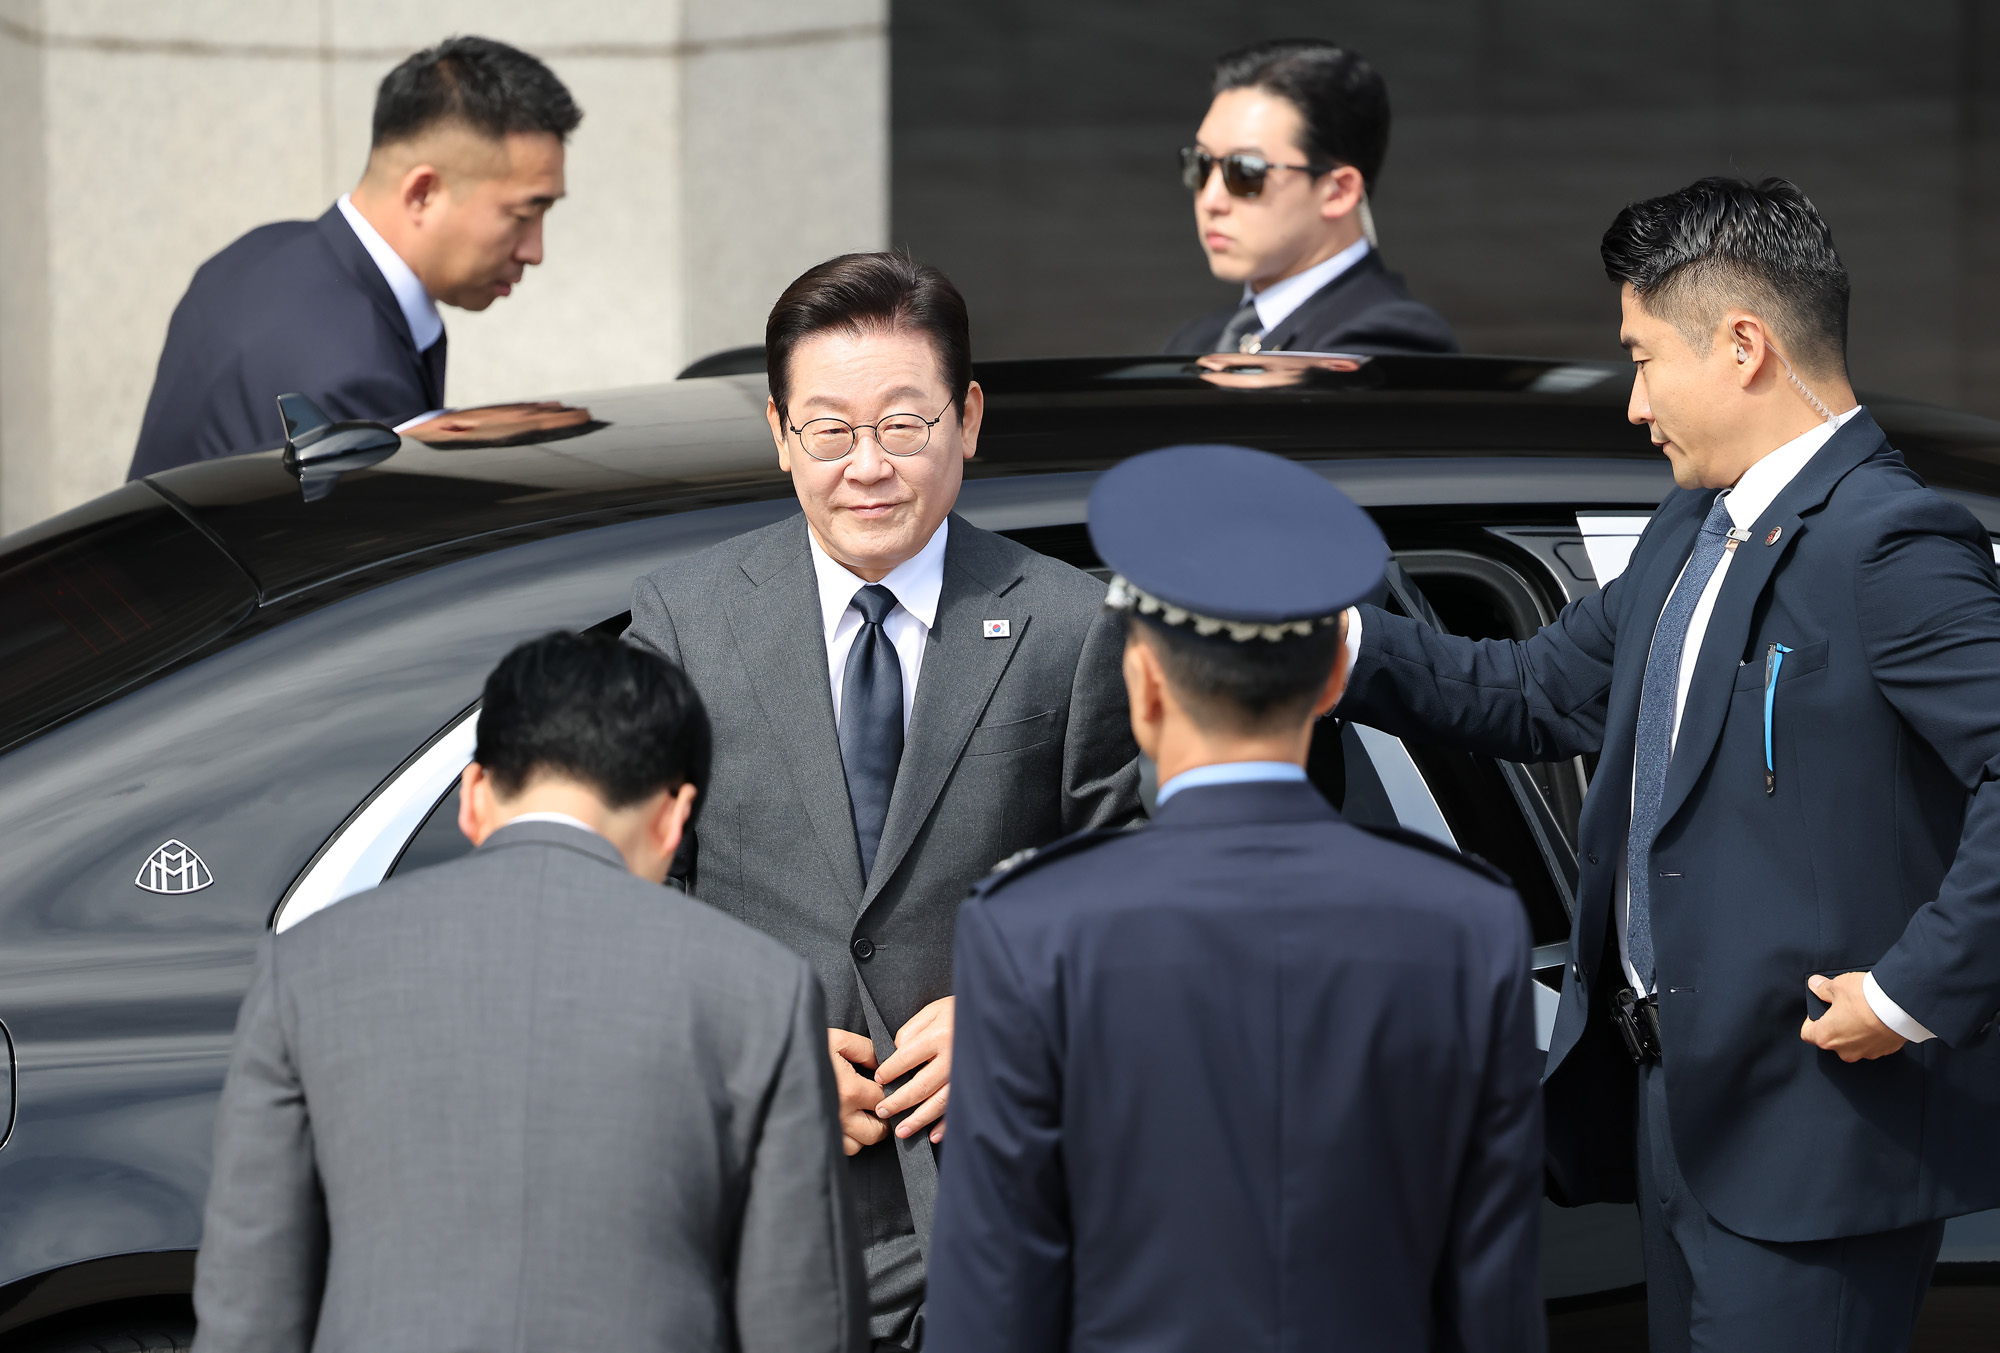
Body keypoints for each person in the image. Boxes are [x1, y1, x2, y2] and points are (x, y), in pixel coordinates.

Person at [1336, 177, 2000, 1352]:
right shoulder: (1692, 524)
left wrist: (1907, 995)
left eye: (1643, 360)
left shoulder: (1888, 543)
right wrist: (1321, 643)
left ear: (1741, 346)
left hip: (1819, 1134)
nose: (1635, 404)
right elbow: (1535, 691)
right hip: (1673, 1116)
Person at [623, 251, 1142, 1350]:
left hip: (999, 1207)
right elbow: (626, 896)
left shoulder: (1071, 624)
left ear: (966, 419)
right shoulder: (685, 619)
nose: (867, 468)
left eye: (902, 428)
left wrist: (1019, 1013)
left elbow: (1133, 884)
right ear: (778, 433)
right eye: (829, 432)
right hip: (760, 1204)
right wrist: (750, 1045)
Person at [924, 444, 1545, 1352]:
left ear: (1142, 685)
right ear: (1335, 678)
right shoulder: (1470, 922)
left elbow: (996, 1293)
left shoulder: (1030, 928)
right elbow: (1492, 1290)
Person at [193, 632, 866, 1353]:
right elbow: (801, 1316)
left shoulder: (304, 968)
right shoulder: (760, 987)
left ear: (474, 795)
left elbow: (248, 1310)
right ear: (674, 817)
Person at [128, 36, 578, 479]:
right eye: (522, 215)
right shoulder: (356, 384)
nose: (534, 252)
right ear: (423, 193)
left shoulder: (254, 253)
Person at [1163, 39, 1457, 357]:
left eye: (1246, 171)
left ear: (1339, 191)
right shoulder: (1196, 340)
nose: (1211, 200)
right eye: (1201, 165)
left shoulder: (1386, 337)